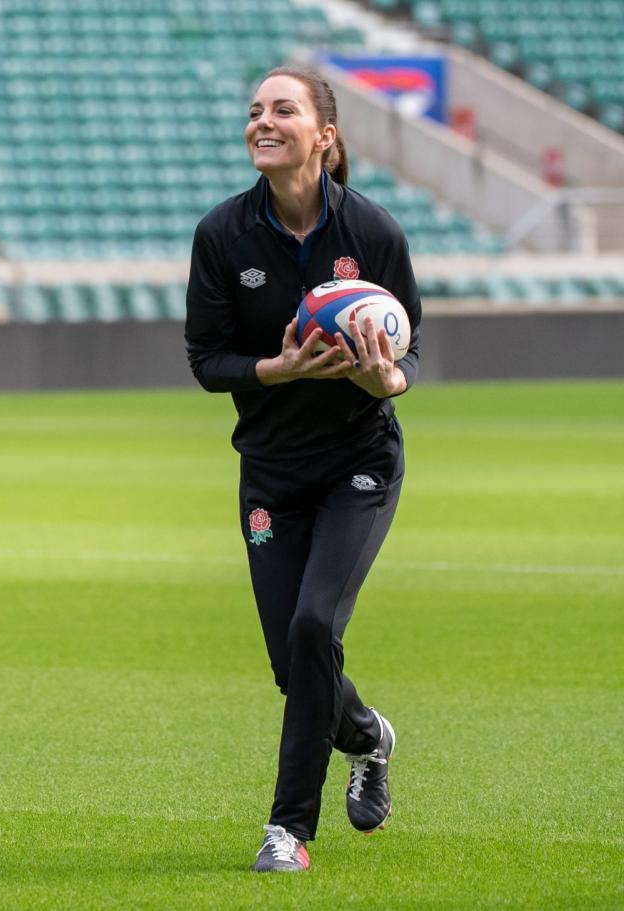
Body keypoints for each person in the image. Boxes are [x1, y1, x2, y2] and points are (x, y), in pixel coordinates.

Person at [185, 65, 422, 873]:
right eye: (254, 110)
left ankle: (288, 828)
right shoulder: (222, 235)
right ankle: (366, 736)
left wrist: (384, 378)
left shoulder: (376, 232)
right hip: (272, 473)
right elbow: (206, 359)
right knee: (295, 663)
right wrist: (273, 372)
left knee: (316, 625)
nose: (263, 121)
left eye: (282, 110)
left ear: (324, 133)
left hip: (358, 463)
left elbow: (407, 356)